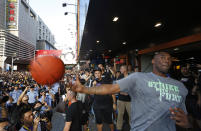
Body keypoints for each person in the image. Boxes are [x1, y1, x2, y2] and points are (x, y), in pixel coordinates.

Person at [72, 52, 191, 131]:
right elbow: (109, 88)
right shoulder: (138, 77)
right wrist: (84, 89)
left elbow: (185, 118)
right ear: (153, 61)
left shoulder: (180, 87)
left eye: (169, 58)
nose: (166, 60)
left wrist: (188, 124)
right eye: (162, 57)